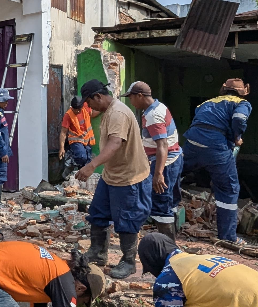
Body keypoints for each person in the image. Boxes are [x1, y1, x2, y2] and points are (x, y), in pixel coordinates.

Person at [76, 79, 152, 279]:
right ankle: (98, 252)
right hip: (112, 175)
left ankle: (128, 262)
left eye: (89, 102)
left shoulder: (118, 113)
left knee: (127, 220)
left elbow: (116, 142)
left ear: (98, 97)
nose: (89, 106)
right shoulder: (109, 110)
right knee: (98, 213)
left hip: (129, 177)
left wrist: (92, 165)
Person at [181, 78, 252, 243]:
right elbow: (240, 119)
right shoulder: (242, 103)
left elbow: (201, 120)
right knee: (228, 188)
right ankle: (227, 237)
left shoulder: (207, 102)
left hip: (192, 142)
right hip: (215, 147)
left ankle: (158, 217)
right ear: (243, 92)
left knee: (172, 173)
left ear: (223, 89)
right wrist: (237, 137)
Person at [124, 81, 183, 240]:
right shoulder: (159, 107)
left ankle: (167, 245)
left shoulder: (152, 115)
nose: (131, 102)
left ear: (140, 96)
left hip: (165, 162)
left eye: (131, 98)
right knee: (170, 202)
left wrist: (158, 173)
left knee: (161, 203)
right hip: (174, 157)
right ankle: (172, 240)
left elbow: (162, 145)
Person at [59, 96, 100, 172]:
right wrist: (62, 148)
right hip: (75, 140)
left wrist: (102, 109)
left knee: (88, 160)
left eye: (79, 109)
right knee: (81, 156)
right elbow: (63, 132)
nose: (78, 111)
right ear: (72, 108)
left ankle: (80, 175)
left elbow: (92, 114)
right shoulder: (68, 115)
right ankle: (71, 162)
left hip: (87, 139)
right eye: (76, 110)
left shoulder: (85, 107)